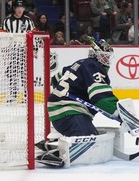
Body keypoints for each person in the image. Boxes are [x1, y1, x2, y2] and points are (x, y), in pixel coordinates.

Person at [37, 38, 120, 166]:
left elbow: (55, 80)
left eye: (108, 56)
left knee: (90, 137)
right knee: (89, 141)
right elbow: (100, 96)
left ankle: (50, 144)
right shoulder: (94, 67)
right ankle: (56, 153)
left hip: (60, 111)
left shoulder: (80, 64)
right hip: (69, 111)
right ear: (95, 54)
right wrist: (119, 112)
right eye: (104, 56)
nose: (107, 59)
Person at [0, 0, 36, 103]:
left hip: (25, 50)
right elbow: (2, 36)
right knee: (12, 73)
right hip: (12, 51)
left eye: (22, 8)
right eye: (17, 8)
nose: (20, 10)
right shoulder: (7, 21)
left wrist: (34, 49)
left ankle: (26, 95)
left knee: (25, 74)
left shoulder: (28, 21)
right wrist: (4, 50)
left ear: (24, 9)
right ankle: (13, 94)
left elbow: (33, 35)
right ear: (14, 9)